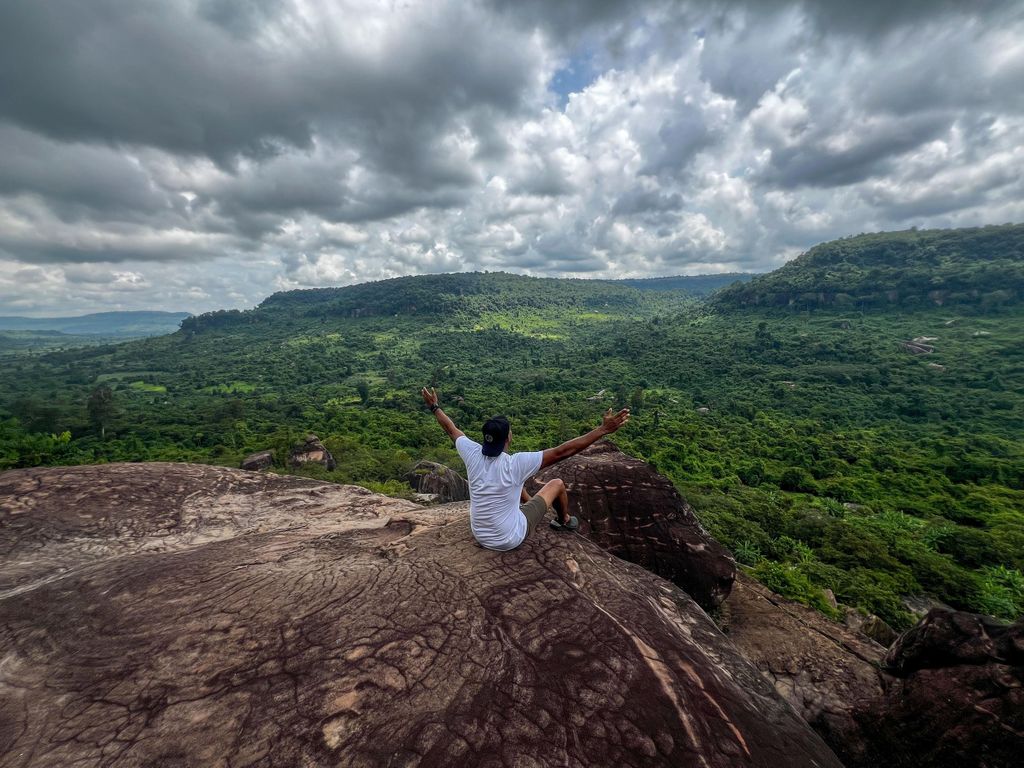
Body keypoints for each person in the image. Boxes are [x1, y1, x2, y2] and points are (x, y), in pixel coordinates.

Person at [420, 387, 630, 551]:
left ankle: (530, 504)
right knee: (556, 484)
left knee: (513, 484)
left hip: (480, 535)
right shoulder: (515, 464)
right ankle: (564, 520)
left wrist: (434, 407)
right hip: (509, 539)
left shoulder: (472, 453)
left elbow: (451, 429)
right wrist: (603, 429)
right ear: (508, 439)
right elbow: (562, 452)